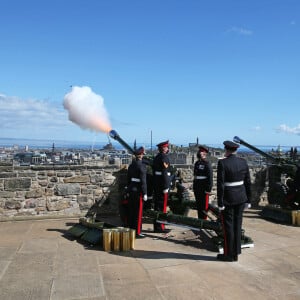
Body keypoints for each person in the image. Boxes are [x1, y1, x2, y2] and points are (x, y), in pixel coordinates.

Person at [217, 140, 251, 262]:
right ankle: (236, 253)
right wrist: (249, 199)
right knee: (237, 226)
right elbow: (248, 182)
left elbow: (220, 185)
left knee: (228, 228)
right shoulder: (243, 162)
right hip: (241, 198)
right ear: (235, 150)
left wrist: (220, 202)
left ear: (226, 150)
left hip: (229, 199)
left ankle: (228, 254)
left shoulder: (223, 163)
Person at [127, 147, 148, 238]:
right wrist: (145, 193)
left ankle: (131, 229)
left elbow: (128, 179)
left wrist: (128, 189)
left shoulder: (131, 165)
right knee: (138, 213)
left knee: (131, 212)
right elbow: (143, 182)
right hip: (138, 191)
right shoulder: (142, 166)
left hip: (131, 189)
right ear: (141, 155)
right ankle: (138, 232)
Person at [153, 140, 171, 233]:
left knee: (157, 206)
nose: (167, 149)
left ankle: (158, 226)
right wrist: (165, 186)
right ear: (164, 148)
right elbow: (165, 172)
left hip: (157, 183)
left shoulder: (157, 157)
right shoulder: (164, 157)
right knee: (161, 206)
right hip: (162, 184)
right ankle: (160, 227)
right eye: (167, 147)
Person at [193, 145, 213, 219]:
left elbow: (210, 177)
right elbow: (195, 176)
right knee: (199, 206)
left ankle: (204, 222)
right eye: (199, 151)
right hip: (197, 187)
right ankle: (200, 220)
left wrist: (208, 189)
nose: (199, 153)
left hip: (204, 188)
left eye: (201, 152)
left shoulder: (207, 163)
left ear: (205, 153)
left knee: (204, 206)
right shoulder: (197, 163)